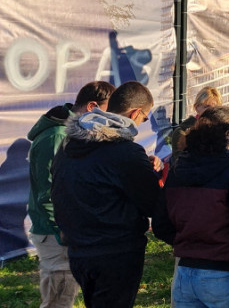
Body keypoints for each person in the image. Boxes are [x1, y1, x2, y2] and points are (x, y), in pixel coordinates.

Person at [51, 81, 161, 308]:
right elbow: (153, 204)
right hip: (116, 253)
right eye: (145, 118)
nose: (141, 124)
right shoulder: (126, 152)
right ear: (135, 113)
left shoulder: (68, 146)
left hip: (79, 250)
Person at [153, 106, 229, 308]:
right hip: (225, 270)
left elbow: (162, 222)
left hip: (186, 270)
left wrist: (187, 242)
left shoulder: (179, 166)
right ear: (226, 133)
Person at [28, 81, 115, 308]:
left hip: (68, 228)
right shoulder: (56, 137)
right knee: (58, 300)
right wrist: (62, 230)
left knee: (65, 295)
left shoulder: (71, 132)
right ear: (92, 106)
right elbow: (47, 192)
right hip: (56, 232)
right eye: (108, 112)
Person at [172, 87, 222, 153]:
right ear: (197, 107)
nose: (212, 111)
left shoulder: (221, 130)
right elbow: (178, 160)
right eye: (207, 107)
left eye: (216, 108)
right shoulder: (181, 132)